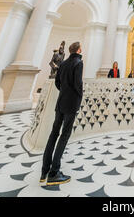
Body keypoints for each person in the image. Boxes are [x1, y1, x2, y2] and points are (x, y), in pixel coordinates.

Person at [40, 41, 83, 186]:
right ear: (78, 50)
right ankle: (54, 173)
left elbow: (57, 82)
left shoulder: (63, 63)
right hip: (71, 104)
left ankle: (44, 170)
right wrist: (78, 96)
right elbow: (78, 84)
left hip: (60, 103)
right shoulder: (78, 62)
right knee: (64, 136)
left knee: (53, 134)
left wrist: (64, 92)